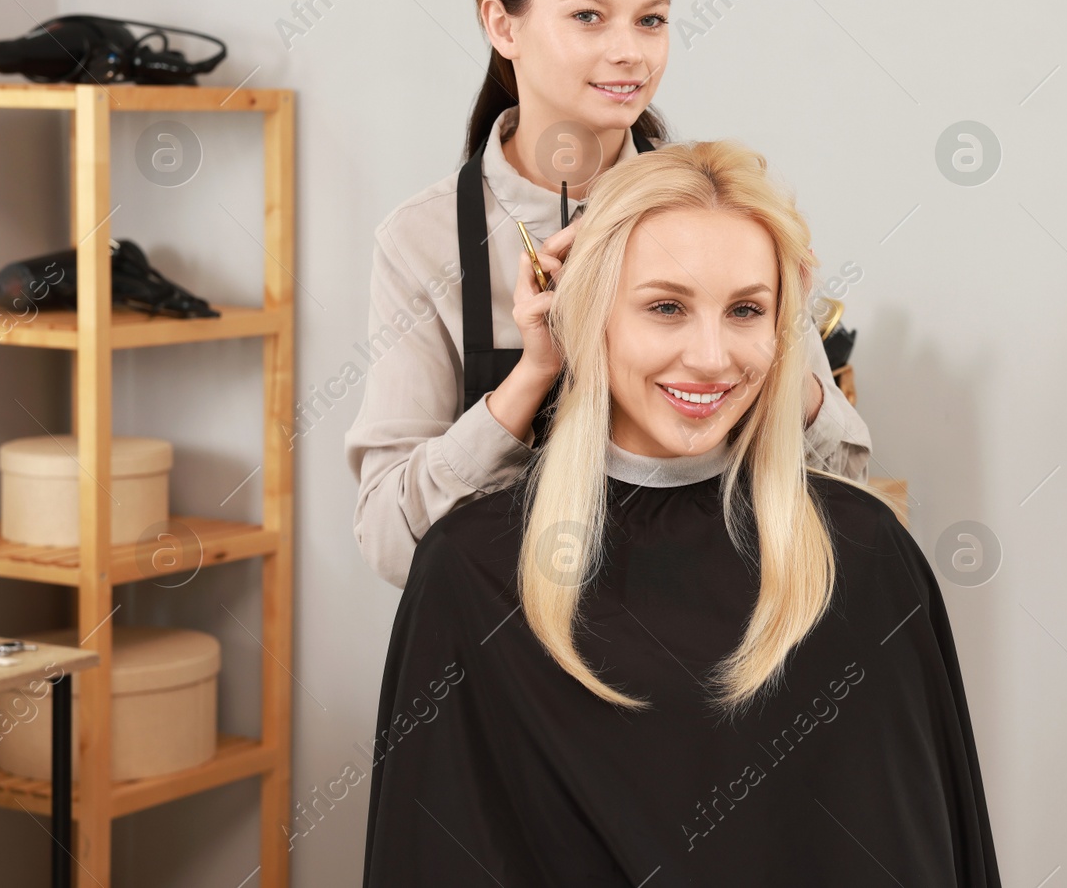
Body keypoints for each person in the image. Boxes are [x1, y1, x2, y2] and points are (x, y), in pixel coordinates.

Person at [360, 141, 1000, 886]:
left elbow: (922, 851)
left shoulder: (864, 558)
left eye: (746, 311)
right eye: (666, 307)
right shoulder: (473, 574)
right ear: (587, 315)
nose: (710, 355)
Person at [343, 0, 872, 590]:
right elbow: (390, 541)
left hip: (710, 637)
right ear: (503, 25)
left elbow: (846, 485)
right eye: (590, 17)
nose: (631, 52)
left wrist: (773, 343)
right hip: (515, 666)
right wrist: (533, 375)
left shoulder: (727, 212)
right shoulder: (424, 242)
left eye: (651, 20)